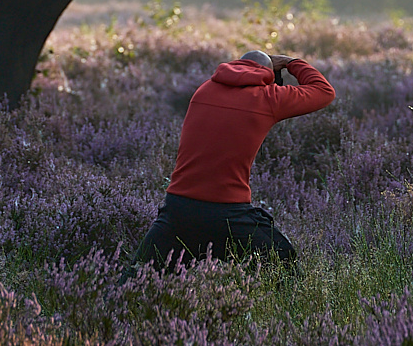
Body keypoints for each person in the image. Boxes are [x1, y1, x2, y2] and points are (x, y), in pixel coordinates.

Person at [124, 49, 336, 276]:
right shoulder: (268, 98)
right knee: (283, 265)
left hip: (177, 208)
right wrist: (291, 62)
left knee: (136, 281)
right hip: (228, 214)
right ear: (268, 76)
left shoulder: (203, 90)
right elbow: (324, 92)